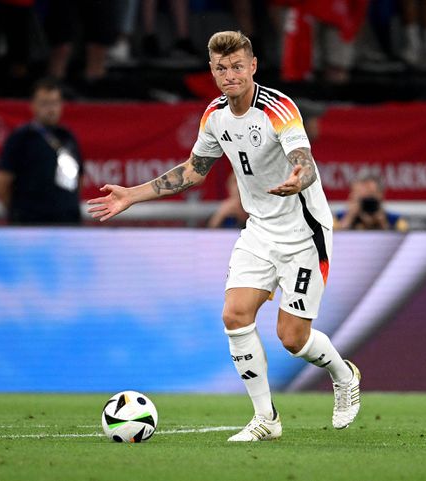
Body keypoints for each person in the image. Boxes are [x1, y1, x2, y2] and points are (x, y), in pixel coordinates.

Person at [88, 31, 361, 442]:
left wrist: (299, 178)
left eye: (237, 66)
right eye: (221, 68)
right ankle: (266, 419)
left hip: (304, 233)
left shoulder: (279, 109)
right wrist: (132, 195)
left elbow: (305, 161)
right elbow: (193, 171)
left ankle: (344, 375)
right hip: (259, 231)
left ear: (253, 67)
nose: (230, 75)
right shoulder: (214, 115)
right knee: (234, 315)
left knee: (292, 338)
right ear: (212, 72)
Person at [0, 77, 83, 225]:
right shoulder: (21, 137)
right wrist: (17, 213)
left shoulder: (68, 137)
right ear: (33, 105)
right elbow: (2, 182)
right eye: (45, 103)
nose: (51, 109)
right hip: (31, 223)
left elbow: (79, 178)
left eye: (55, 103)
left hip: (67, 221)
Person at [336, 174, 408, 231]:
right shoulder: (336, 220)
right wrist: (348, 220)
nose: (366, 201)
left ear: (381, 195)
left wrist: (384, 225)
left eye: (370, 195)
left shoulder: (397, 222)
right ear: (352, 196)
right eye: (360, 195)